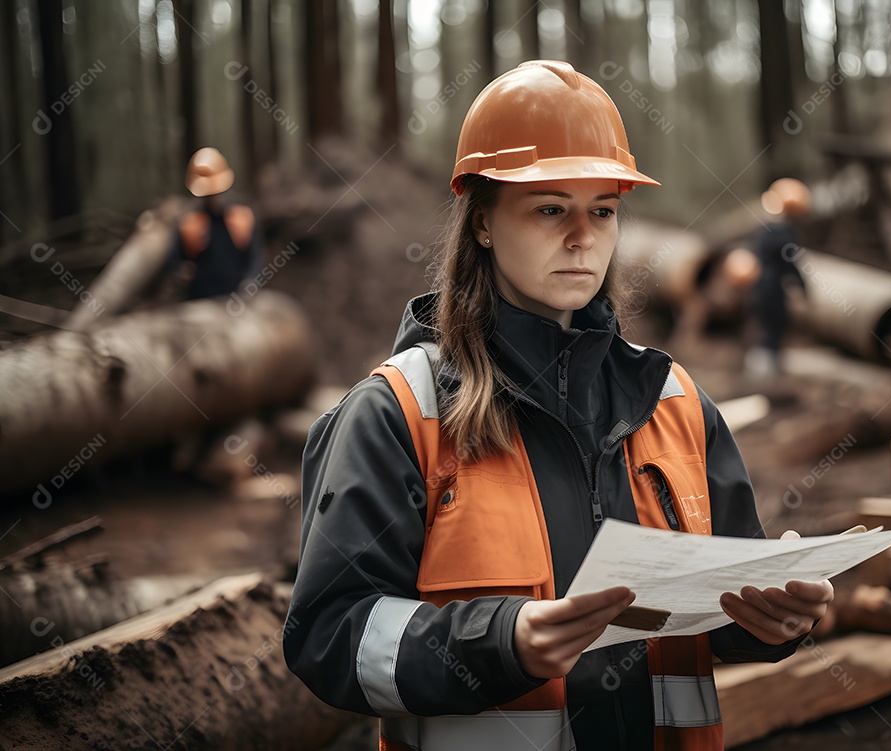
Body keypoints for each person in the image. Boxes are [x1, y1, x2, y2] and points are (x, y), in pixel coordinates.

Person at [283, 61, 833, 751]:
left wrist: (775, 618)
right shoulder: (397, 414)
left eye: (602, 209)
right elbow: (331, 635)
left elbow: (719, 614)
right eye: (550, 208)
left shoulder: (678, 406)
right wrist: (497, 641)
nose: (584, 237)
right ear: (482, 223)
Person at [166, 147, 262, 300]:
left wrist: (251, 281)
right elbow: (175, 261)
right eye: (208, 194)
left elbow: (254, 259)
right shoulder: (189, 223)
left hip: (235, 300)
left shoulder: (242, 218)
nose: (213, 197)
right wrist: (181, 272)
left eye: (216, 192)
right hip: (200, 301)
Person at [745, 178, 810, 377]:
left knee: (764, 324)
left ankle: (762, 366)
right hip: (772, 287)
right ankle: (765, 370)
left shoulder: (763, 229)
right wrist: (802, 286)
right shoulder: (783, 235)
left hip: (758, 285)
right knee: (775, 325)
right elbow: (790, 265)